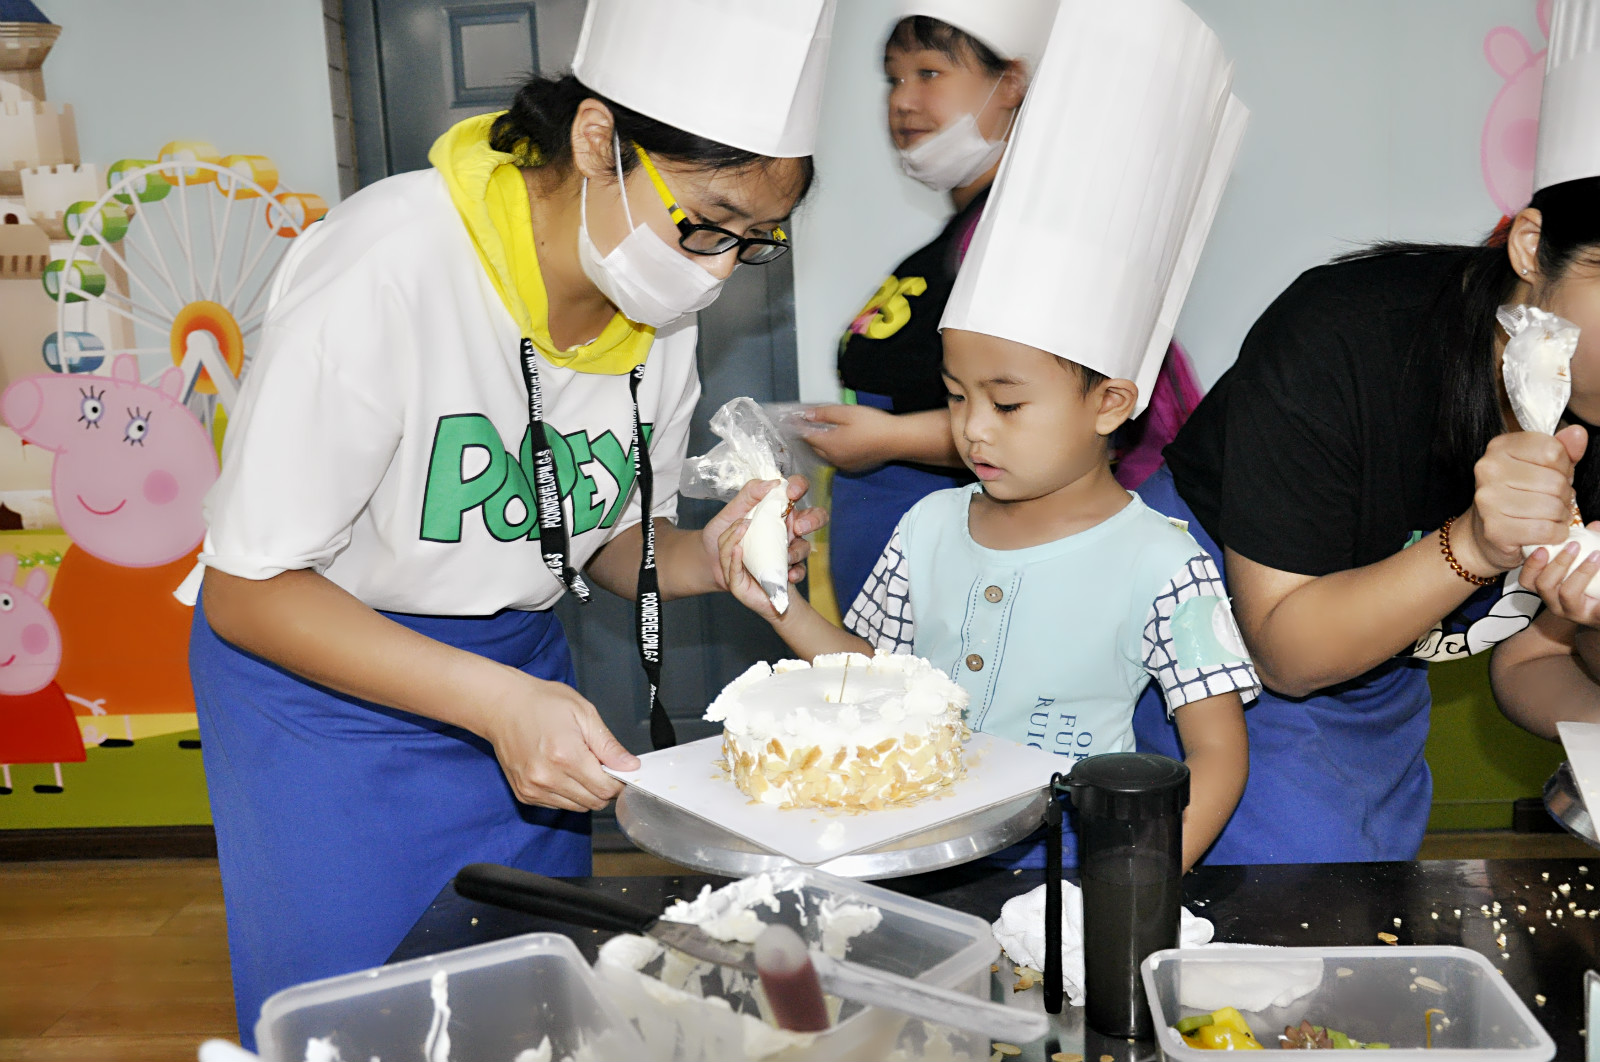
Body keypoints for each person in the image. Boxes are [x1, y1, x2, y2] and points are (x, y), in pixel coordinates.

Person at [189, 0, 836, 1041]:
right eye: (707, 221)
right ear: (596, 138)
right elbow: (248, 590)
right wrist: (493, 702)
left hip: (521, 682)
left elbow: (604, 540)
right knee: (362, 1021)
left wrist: (708, 558)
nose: (718, 269)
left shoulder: (660, 312)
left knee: (524, 1010)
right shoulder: (389, 265)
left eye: (752, 243)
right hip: (326, 701)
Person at [720, 0, 1257, 870]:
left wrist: (1129, 893)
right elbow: (873, 681)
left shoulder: (1167, 566)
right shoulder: (929, 527)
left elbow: (1218, 756)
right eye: (954, 396)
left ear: (1110, 404)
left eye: (1006, 405)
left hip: (1072, 877)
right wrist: (778, 603)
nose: (971, 428)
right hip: (917, 857)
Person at [1132, 0, 1600, 865]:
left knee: (1364, 882)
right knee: (1283, 877)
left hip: (1375, 681)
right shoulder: (1348, 337)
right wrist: (1476, 544)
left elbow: (1529, 661)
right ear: (1533, 247)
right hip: (1208, 633)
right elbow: (1286, 651)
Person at [802, 1, 1055, 613]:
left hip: (969, 573)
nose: (902, 101)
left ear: (1010, 83)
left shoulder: (1023, 240)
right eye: (893, 78)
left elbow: (1042, 423)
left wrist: (888, 438)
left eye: (929, 73)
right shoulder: (951, 241)